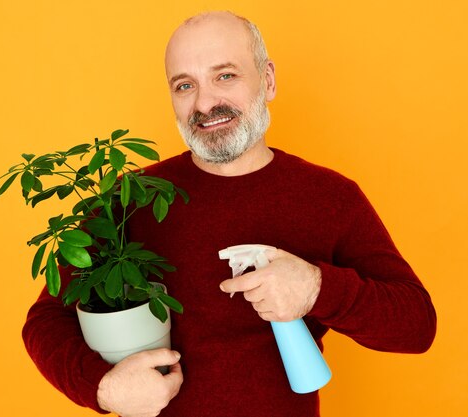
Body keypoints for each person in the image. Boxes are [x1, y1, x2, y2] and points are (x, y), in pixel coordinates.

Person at [22, 11, 437, 417]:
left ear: (268, 80)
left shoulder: (330, 197)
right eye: (185, 85)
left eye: (225, 75)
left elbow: (416, 325)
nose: (204, 103)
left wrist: (316, 287)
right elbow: (45, 320)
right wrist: (104, 388)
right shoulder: (131, 200)